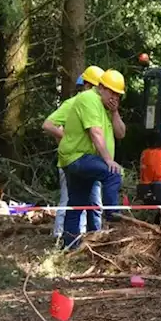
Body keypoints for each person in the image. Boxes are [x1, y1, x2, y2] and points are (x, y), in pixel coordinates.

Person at [57, 68, 128, 249]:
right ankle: (114, 216)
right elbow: (95, 133)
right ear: (101, 88)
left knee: (77, 204)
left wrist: (114, 112)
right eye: (112, 92)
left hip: (84, 159)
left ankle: (70, 247)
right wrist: (108, 161)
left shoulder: (106, 107)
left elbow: (121, 134)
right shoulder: (89, 99)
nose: (114, 98)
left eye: (118, 95)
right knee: (113, 173)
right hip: (77, 157)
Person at [42, 66, 104, 239]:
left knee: (95, 204)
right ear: (86, 86)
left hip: (91, 161)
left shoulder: (98, 107)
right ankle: (61, 238)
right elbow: (48, 124)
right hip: (72, 161)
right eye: (97, 87)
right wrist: (68, 139)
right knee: (70, 201)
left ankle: (95, 240)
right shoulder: (73, 104)